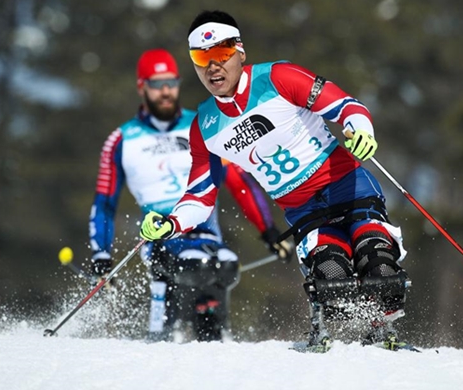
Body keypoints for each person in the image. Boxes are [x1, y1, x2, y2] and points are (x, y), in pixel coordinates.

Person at [139, 11, 410, 351]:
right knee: (333, 279)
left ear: (240, 52)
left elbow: (345, 106)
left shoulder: (279, 77)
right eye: (201, 57)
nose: (213, 67)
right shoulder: (205, 127)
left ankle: (382, 321)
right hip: (304, 211)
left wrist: (360, 131)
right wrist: (171, 224)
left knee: (378, 265)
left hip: (348, 186)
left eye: (221, 54)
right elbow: (200, 196)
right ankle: (354, 327)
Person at [89, 48, 291, 342]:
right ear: (141, 87)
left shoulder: (204, 124)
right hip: (161, 236)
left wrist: (269, 230)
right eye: (157, 85)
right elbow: (105, 203)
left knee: (223, 265)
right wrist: (101, 256)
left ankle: (214, 348)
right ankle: (160, 341)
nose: (166, 91)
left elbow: (238, 180)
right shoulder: (121, 139)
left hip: (205, 230)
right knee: (192, 266)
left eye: (171, 82)